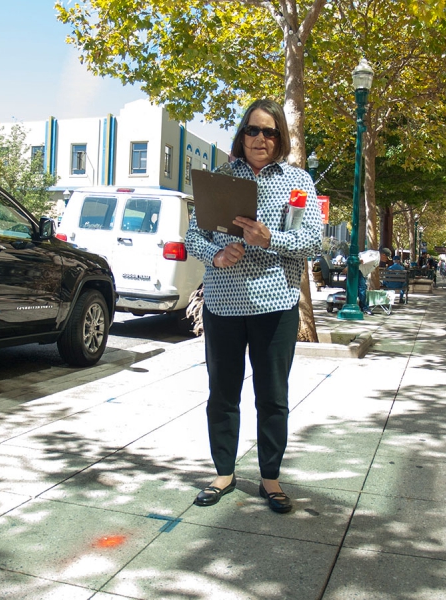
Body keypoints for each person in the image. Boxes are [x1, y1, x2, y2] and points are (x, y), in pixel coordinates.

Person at [186, 99, 322, 513]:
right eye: (251, 130)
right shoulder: (221, 179)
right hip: (224, 304)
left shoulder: (298, 182)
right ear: (241, 134)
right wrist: (216, 255)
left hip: (275, 305)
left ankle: (270, 479)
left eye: (268, 132)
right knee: (222, 393)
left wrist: (271, 239)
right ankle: (223, 474)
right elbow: (194, 237)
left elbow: (314, 241)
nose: (259, 139)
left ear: (279, 137)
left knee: (272, 395)